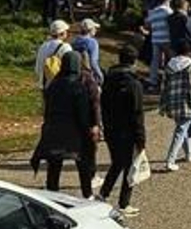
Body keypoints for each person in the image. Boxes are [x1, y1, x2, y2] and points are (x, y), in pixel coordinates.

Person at [33, 51, 97, 196]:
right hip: (74, 131)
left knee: (54, 165)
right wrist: (88, 128)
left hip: (54, 129)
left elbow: (47, 108)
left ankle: (52, 193)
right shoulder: (78, 86)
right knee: (83, 163)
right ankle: (87, 194)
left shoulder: (53, 84)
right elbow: (82, 112)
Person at [98, 47, 146, 214]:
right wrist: (141, 137)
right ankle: (124, 203)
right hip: (128, 131)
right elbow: (137, 113)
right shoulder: (134, 84)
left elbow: (102, 105)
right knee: (130, 166)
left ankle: (104, 193)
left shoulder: (108, 80)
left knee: (117, 162)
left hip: (111, 128)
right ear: (134, 61)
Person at [160, 39, 191, 171]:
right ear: (189, 51)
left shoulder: (169, 64)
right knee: (180, 130)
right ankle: (170, 160)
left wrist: (163, 104)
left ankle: (189, 153)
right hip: (187, 101)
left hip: (173, 102)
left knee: (182, 127)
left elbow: (163, 86)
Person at [34, 19, 72, 90]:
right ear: (62, 33)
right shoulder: (65, 47)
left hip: (44, 84)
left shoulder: (43, 46)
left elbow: (37, 68)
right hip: (59, 85)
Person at [73, 18, 104, 84]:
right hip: (89, 74)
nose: (96, 30)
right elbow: (93, 62)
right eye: (94, 28)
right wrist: (100, 75)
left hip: (77, 73)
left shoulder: (75, 41)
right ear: (90, 30)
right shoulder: (92, 42)